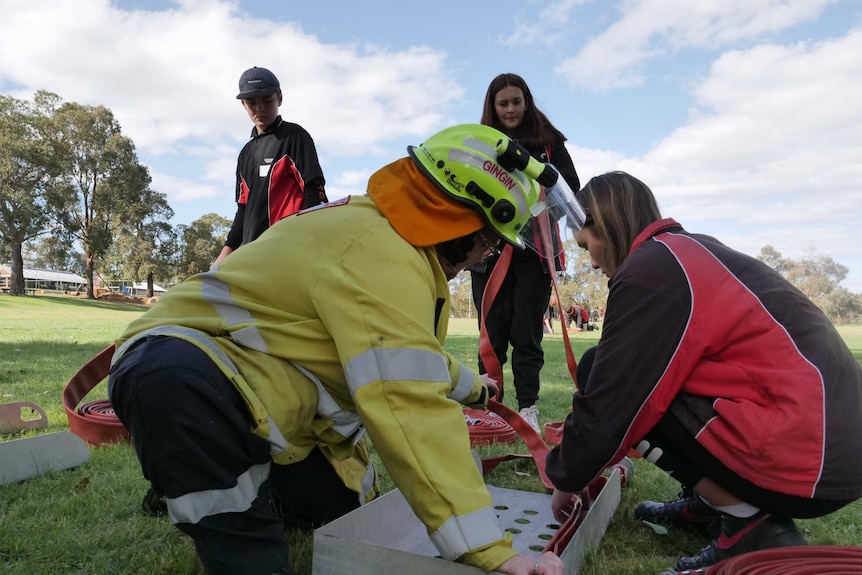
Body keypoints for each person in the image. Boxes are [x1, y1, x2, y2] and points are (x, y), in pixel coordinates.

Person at [108, 124, 565, 575]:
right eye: (487, 241)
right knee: (243, 533)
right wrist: (491, 550)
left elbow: (410, 355)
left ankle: (188, 472)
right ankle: (194, 480)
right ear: (460, 221)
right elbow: (409, 404)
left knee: (340, 503)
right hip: (181, 373)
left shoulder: (384, 238)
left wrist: (475, 388)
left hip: (247, 381)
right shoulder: (382, 255)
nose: (481, 258)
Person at [545, 172, 862, 573]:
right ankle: (713, 502)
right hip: (832, 447)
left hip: (811, 455)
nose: (589, 259)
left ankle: (748, 523)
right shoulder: (684, 252)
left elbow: (611, 399)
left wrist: (566, 478)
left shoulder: (652, 267)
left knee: (605, 375)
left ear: (605, 223)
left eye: (585, 243)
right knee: (635, 379)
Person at [470, 73, 580, 434]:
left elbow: (570, 190)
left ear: (527, 102)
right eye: (503, 103)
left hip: (535, 253)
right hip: (488, 254)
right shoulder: (479, 142)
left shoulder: (549, 143)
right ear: (493, 107)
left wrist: (541, 198)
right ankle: (489, 406)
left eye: (517, 101)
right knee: (492, 330)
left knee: (527, 332)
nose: (511, 109)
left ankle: (528, 407)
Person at [212, 66, 329, 267]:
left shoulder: (295, 137)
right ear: (243, 104)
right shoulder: (245, 154)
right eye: (252, 102)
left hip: (289, 252)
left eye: (266, 100)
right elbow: (243, 210)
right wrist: (224, 255)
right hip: (252, 256)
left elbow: (315, 193)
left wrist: (313, 245)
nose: (260, 108)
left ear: (279, 98)